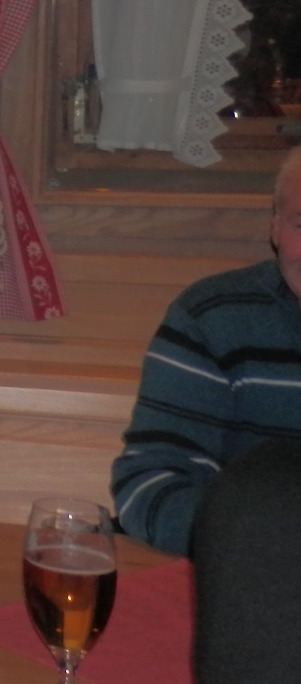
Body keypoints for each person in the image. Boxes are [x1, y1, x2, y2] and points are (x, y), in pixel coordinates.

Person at [111, 145, 301, 555]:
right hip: (247, 569)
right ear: (275, 230)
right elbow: (151, 480)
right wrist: (262, 549)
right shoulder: (213, 317)